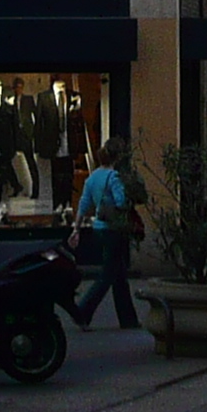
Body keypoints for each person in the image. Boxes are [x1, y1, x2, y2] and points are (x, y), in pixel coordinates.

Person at [68, 138, 140, 329]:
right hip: (113, 230)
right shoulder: (114, 177)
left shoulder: (92, 178)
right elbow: (120, 202)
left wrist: (76, 229)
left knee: (119, 275)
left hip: (98, 228)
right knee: (108, 275)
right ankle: (82, 311)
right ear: (115, 158)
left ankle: (128, 319)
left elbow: (84, 203)